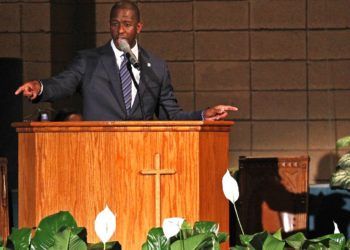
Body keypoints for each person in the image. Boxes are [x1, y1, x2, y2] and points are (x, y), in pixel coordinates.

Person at [15, 0, 237, 121]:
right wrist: (41, 87)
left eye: (127, 25)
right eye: (114, 24)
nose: (120, 30)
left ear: (139, 27)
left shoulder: (156, 67)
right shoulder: (89, 60)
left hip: (141, 155)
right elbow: (63, 83)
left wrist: (202, 115)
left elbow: (172, 115)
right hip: (98, 151)